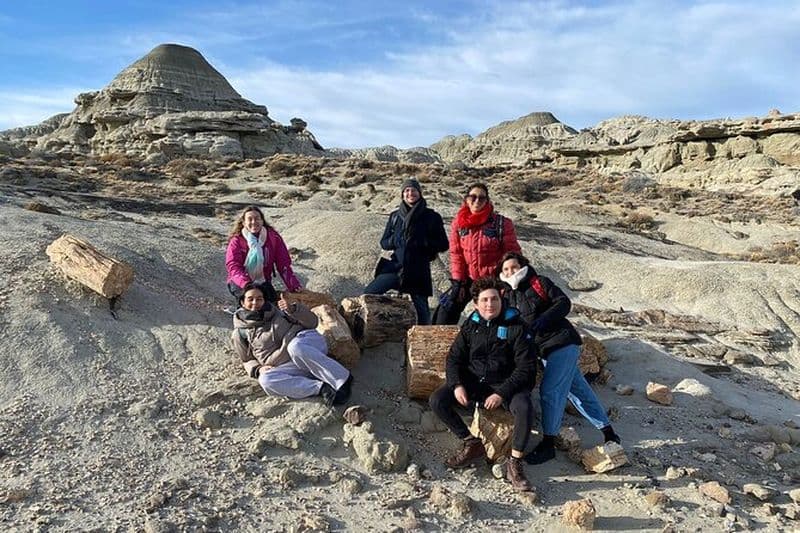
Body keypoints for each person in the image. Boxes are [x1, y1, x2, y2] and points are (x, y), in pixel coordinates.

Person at [496, 252, 620, 465]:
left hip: (562, 342)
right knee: (578, 390)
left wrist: (543, 320)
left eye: (514, 267)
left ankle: (549, 443)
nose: (510, 272)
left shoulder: (539, 282)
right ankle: (609, 432)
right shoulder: (507, 295)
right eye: (506, 269)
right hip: (542, 350)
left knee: (550, 391)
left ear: (522, 266)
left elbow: (563, 303)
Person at [429, 277, 536, 492]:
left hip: (508, 384)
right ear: (476, 304)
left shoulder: (516, 325)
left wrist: (501, 393)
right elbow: (453, 359)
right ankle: (471, 443)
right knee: (437, 400)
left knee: (524, 407)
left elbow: (526, 368)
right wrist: (457, 384)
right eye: (485, 300)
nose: (490, 304)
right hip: (476, 382)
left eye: (494, 299)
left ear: (501, 299)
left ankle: (514, 463)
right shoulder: (472, 324)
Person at [231, 283, 353, 405]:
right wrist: (258, 369)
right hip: (286, 364)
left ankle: (342, 379)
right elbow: (246, 359)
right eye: (250, 299)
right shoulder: (240, 333)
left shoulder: (279, 311)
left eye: (259, 299)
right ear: (242, 302)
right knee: (266, 380)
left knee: (295, 347)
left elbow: (313, 323)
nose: (255, 302)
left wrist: (293, 309)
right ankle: (321, 388)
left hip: (306, 345)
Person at [364, 178, 449, 324]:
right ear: (402, 194)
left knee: (422, 311)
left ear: (420, 193)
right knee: (368, 294)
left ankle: (424, 340)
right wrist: (396, 240)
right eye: (407, 190)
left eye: (414, 190)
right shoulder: (395, 216)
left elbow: (443, 244)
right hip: (396, 267)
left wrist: (422, 242)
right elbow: (384, 243)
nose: (410, 193)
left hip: (418, 270)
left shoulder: (432, 217)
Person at [433, 183, 521, 325]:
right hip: (469, 277)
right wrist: (458, 283)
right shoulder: (458, 223)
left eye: (481, 198)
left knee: (495, 315)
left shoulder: (501, 224)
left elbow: (512, 253)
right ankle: (439, 342)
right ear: (466, 200)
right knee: (446, 309)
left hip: (494, 278)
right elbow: (457, 254)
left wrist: (509, 279)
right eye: (473, 197)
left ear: (487, 201)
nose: (477, 201)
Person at [225, 205, 302, 304]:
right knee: (251, 305)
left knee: (272, 308)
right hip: (240, 282)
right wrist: (247, 284)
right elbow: (233, 267)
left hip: (262, 281)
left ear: (262, 221)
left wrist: (294, 285)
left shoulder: (273, 238)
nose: (254, 222)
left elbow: (283, 265)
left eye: (257, 218)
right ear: (244, 223)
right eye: (250, 219)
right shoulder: (237, 241)